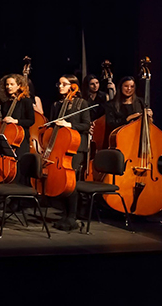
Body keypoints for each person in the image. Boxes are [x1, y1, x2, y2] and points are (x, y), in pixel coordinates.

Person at [47, 75, 91, 231]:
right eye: (58, 84)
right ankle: (65, 214)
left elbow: (86, 125)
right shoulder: (56, 104)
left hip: (76, 147)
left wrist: (69, 124)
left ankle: (72, 216)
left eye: (64, 84)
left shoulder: (81, 103)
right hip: (60, 147)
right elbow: (52, 125)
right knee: (62, 181)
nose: (60, 86)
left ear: (73, 86)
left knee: (71, 182)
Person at [0, 73, 35, 180]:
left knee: (20, 168)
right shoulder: (6, 103)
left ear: (19, 86)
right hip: (8, 137)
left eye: (12, 84)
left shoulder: (26, 101)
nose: (9, 87)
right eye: (7, 85)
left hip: (20, 139)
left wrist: (15, 121)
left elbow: (31, 121)